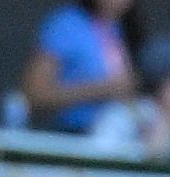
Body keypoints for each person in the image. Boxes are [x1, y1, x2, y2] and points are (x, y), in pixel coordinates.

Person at [17, 0, 140, 134]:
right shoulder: (65, 24)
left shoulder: (116, 28)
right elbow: (34, 95)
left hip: (114, 134)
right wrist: (101, 89)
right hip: (67, 136)